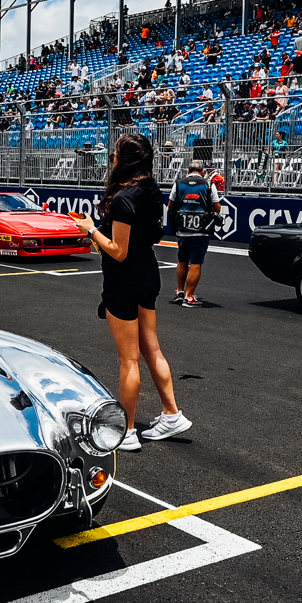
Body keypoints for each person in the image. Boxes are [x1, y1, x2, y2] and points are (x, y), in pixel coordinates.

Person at [69, 135, 187, 451]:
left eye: (116, 153)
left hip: (125, 277)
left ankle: (129, 430)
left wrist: (90, 229)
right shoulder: (151, 191)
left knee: (129, 360)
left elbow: (118, 251)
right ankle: (172, 414)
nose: (112, 157)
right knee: (152, 350)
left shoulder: (124, 198)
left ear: (125, 159)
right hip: (148, 272)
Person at [168, 159, 221, 308]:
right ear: (203, 172)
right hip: (201, 229)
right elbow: (217, 208)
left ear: (188, 171)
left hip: (182, 228)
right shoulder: (208, 185)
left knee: (182, 260)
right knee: (196, 263)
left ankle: (179, 291)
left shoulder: (178, 183)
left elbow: (171, 206)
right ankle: (189, 296)